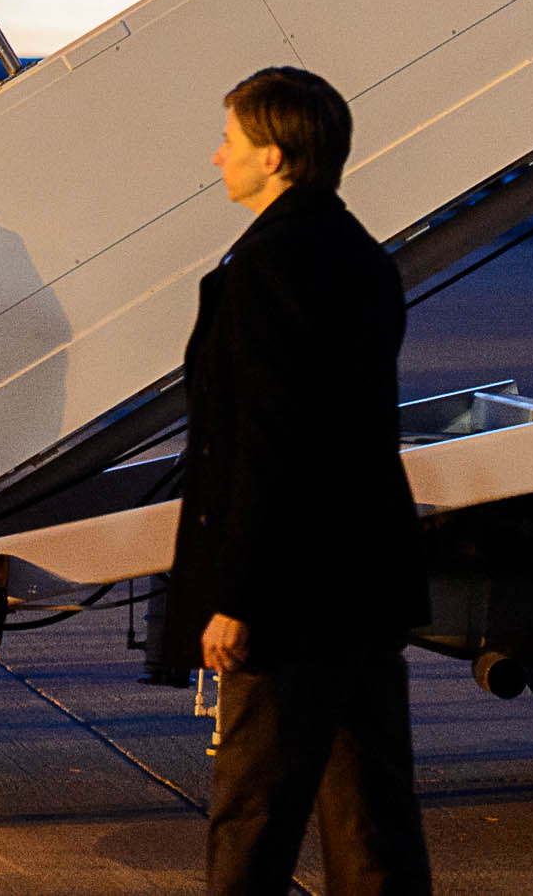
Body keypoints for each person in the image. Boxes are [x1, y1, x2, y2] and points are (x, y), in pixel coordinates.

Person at [162, 67, 430, 896]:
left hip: (289, 599)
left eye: (231, 141)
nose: (217, 157)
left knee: (252, 819)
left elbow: (272, 448)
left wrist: (237, 595)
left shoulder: (266, 267)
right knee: (372, 822)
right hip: (363, 585)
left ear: (273, 157)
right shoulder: (361, 258)